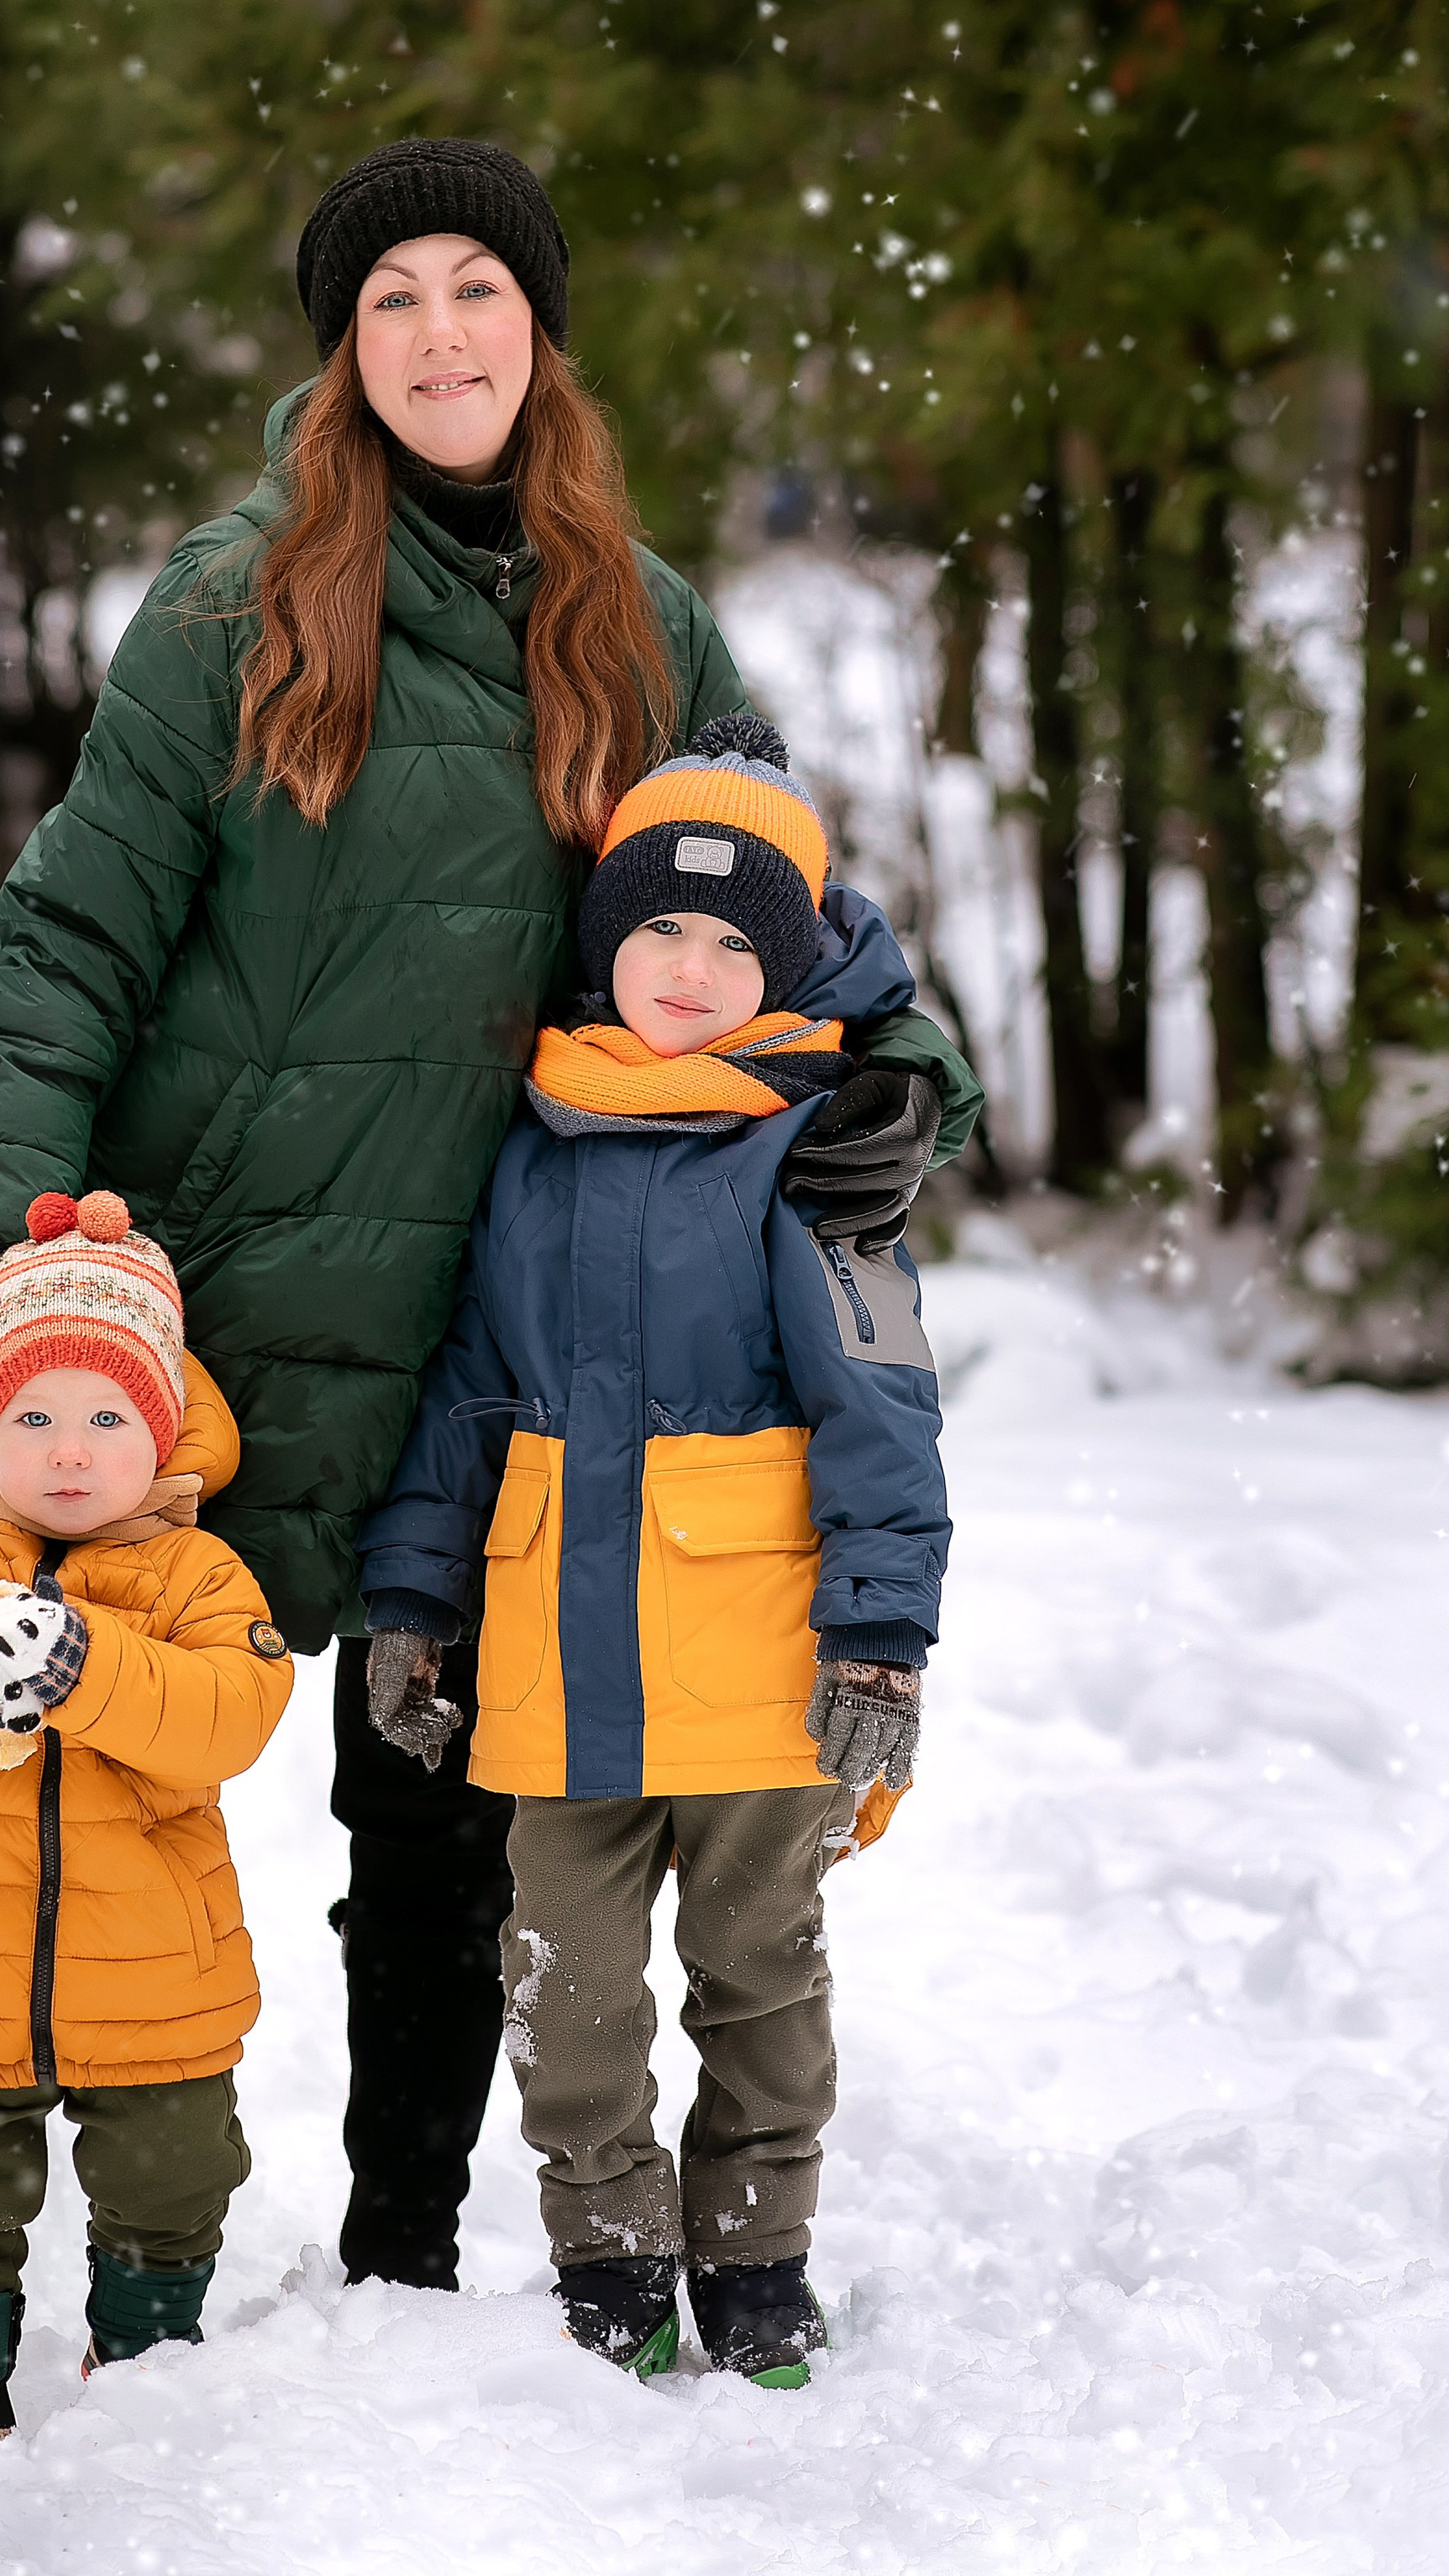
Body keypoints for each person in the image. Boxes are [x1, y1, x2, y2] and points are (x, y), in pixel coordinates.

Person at [0, 137, 979, 2314]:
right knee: (38, 1731)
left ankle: (401, 2246)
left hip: (496, 1293)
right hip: (218, 1278)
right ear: (345, 350)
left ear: (539, 333)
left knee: (438, 1802)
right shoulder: (236, 601)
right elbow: (79, 925)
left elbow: (781, 896)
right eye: (393, 298)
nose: (440, 335)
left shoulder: (644, 617)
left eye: (477, 292)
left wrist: (891, 1079)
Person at [355, 714, 948, 2389]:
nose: (686, 970)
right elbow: (467, 1396)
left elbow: (882, 1408)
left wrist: (878, 1636)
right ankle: (607, 2253)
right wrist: (411, 1598)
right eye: (655, 931)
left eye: (728, 940)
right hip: (560, 1653)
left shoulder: (825, 1153)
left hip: (761, 1669)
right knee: (568, 1985)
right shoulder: (528, 1137)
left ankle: (753, 2254)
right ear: (604, 940)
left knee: (757, 1975)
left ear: (783, 963)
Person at [0, 1190, 295, 2463]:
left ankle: (144, 2354)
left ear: (161, 1428)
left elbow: (230, 1718)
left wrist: (91, 1673)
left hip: (156, 1982)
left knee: (173, 2175)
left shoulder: (200, 1575)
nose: (68, 1450)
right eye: (31, 1417)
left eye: (105, 1418)